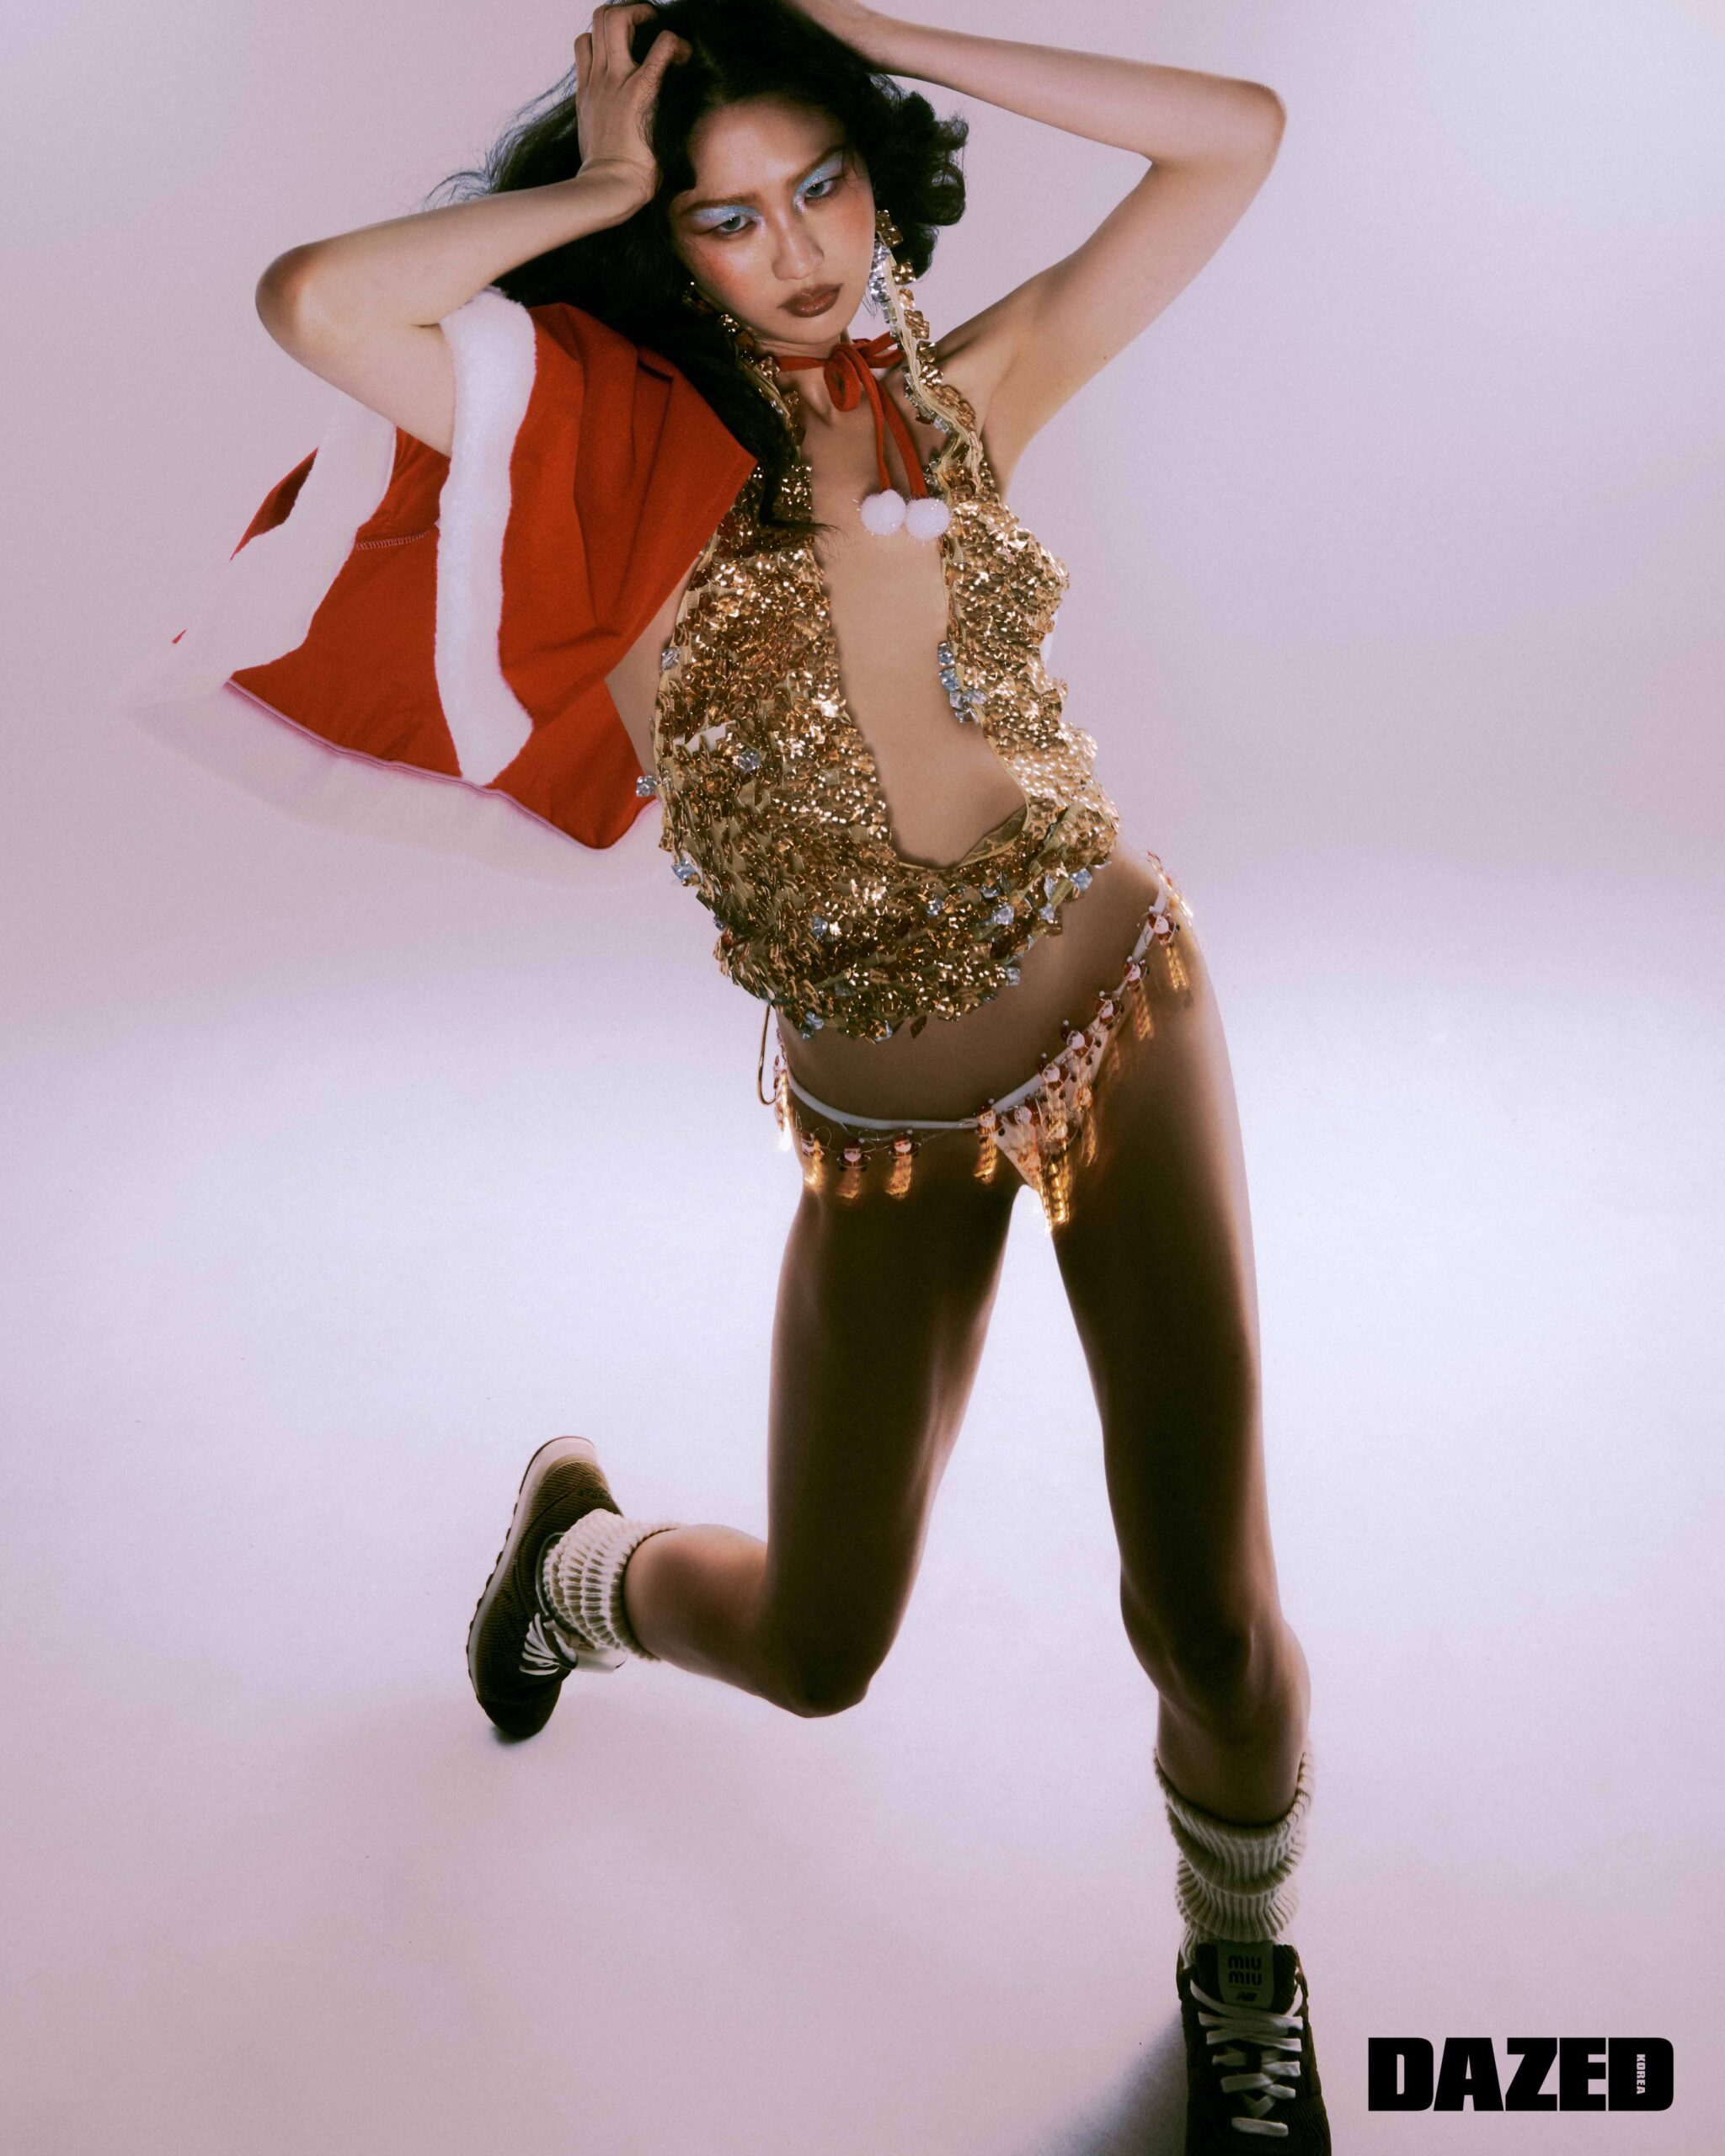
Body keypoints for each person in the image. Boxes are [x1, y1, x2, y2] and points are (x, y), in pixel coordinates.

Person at [224, 1, 1325, 2143]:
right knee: (822, 1645)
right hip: (886, 1126)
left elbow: (1235, 134)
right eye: (729, 217)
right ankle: (575, 1568)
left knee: (1201, 1599)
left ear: (876, 177)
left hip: (1122, 1012)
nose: (799, 248)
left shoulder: (967, 393)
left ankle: (1243, 1965)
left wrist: (856, 25)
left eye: (822, 182)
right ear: (668, 248)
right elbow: (316, 304)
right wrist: (600, 183)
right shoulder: (591, 466)